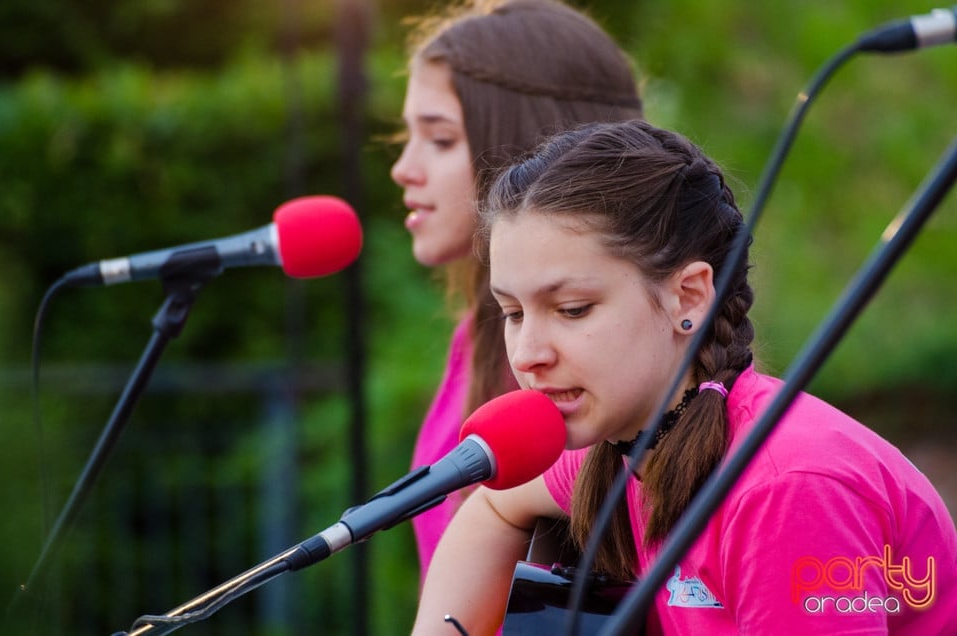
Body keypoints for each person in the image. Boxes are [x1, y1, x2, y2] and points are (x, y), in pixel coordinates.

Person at [411, 119, 957, 635]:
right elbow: (495, 504)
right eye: (513, 313)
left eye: (573, 309)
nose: (527, 353)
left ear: (688, 297)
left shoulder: (787, 489)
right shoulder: (626, 440)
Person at [389, 0, 644, 580]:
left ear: (526, 148)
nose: (403, 168)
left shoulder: (595, 370)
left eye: (441, 139)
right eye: (407, 137)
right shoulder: (476, 337)